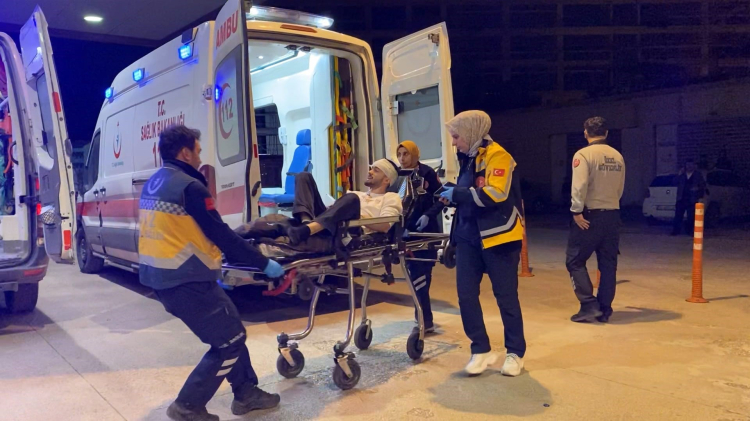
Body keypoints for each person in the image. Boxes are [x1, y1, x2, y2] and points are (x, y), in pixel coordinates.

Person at [138, 125, 283, 421]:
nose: (200, 157)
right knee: (230, 341)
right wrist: (263, 263)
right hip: (186, 280)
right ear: (185, 152)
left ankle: (246, 393)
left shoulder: (155, 182)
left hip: (163, 276)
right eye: (198, 151)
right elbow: (220, 234)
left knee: (231, 330)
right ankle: (187, 406)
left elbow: (181, 231)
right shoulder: (189, 187)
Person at [438, 110, 526, 377]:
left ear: (472, 132)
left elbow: (496, 193)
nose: (453, 142)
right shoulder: (468, 158)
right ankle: (480, 349)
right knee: (466, 296)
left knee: (506, 298)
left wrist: (459, 193)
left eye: (456, 136)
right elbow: (469, 194)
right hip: (468, 237)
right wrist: (451, 195)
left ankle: (515, 353)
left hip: (499, 236)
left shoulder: (499, 156)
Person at [566, 117, 626, 324]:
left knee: (574, 260)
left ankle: (588, 305)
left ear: (585, 133)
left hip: (589, 216)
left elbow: (579, 186)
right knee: (608, 263)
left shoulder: (583, 155)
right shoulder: (617, 156)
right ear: (606, 133)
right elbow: (620, 188)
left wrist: (576, 211)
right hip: (612, 215)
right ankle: (605, 309)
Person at [284, 158, 403, 245]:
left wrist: (357, 215)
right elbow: (334, 211)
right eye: (371, 169)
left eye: (376, 170)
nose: (370, 172)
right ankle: (306, 223)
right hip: (331, 223)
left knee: (352, 198)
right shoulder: (358, 193)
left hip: (349, 231)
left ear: (386, 180)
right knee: (304, 176)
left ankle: (308, 229)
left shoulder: (391, 197)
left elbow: (385, 226)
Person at [397, 140, 444, 334]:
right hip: (406, 233)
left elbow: (442, 198)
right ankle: (424, 319)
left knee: (422, 276)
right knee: (415, 276)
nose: (402, 158)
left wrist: (428, 215)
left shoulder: (427, 173)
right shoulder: (398, 176)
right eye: (399, 154)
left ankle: (425, 320)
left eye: (406, 154)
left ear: (415, 154)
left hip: (425, 232)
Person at [671, 160, 706, 236]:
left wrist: (699, 193)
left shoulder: (698, 175)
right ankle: (676, 231)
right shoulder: (682, 175)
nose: (689, 166)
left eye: (691, 165)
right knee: (678, 215)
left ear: (694, 166)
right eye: (687, 165)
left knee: (691, 216)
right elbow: (674, 182)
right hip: (681, 198)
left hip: (692, 198)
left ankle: (690, 231)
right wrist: (679, 174)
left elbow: (702, 186)